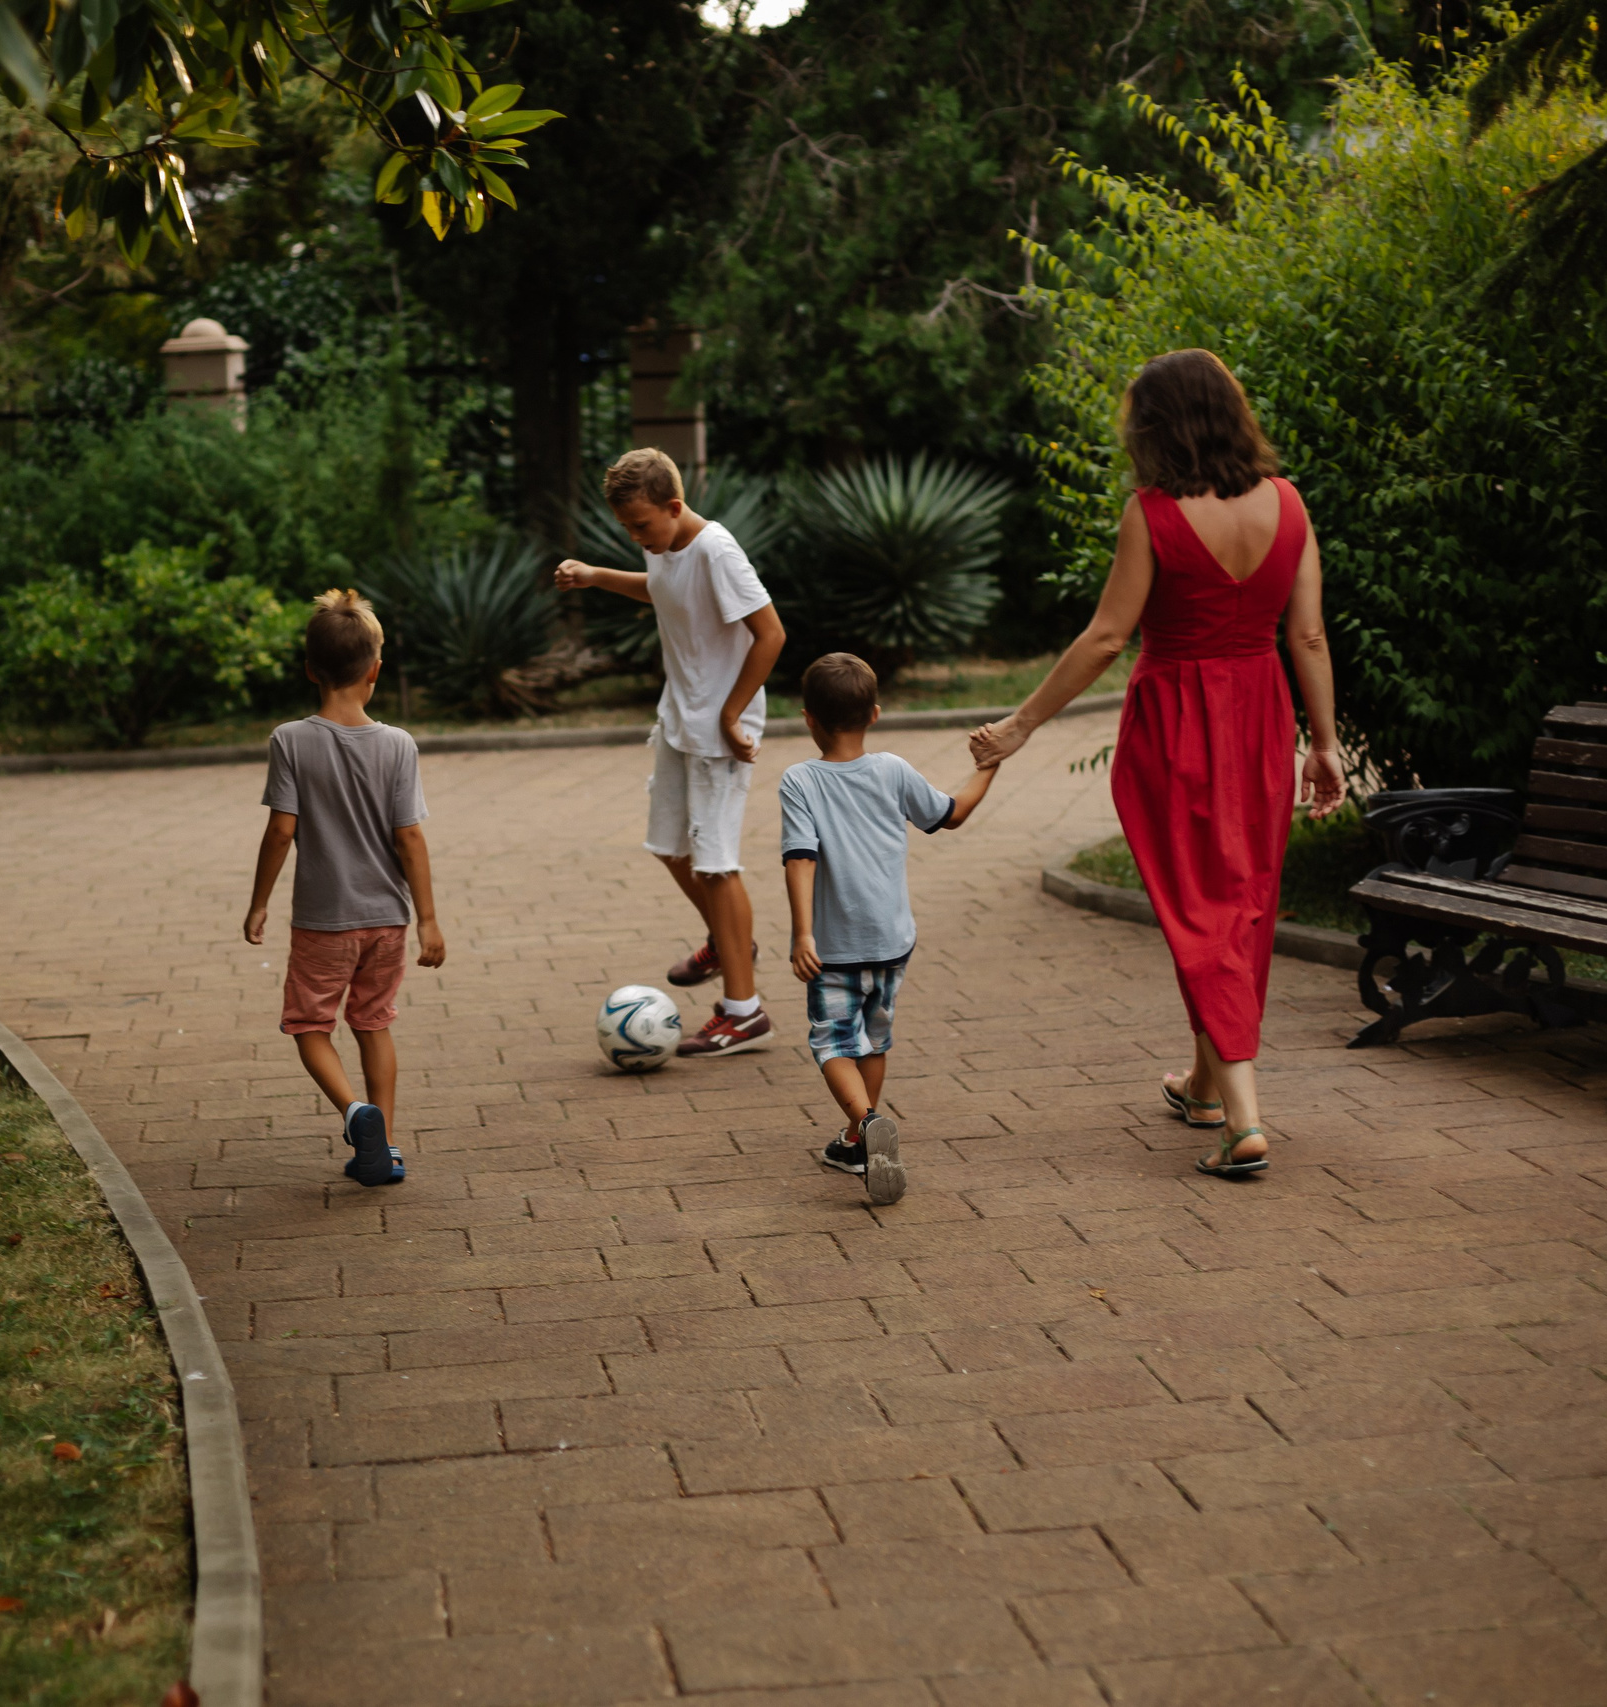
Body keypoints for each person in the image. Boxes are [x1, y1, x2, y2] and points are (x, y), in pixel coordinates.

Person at [969, 349, 1342, 1178]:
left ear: (1158, 426)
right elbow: (1307, 634)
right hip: (1259, 716)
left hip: (1176, 721)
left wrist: (1023, 725)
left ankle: (1243, 1117)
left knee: (1199, 905)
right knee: (1239, 899)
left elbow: (1108, 635)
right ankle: (1205, 1085)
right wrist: (1323, 741)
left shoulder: (1154, 512)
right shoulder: (1288, 503)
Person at [556, 448, 787, 1058]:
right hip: (678, 716)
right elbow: (662, 591)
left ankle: (745, 1011)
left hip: (720, 728)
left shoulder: (716, 550)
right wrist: (597, 575)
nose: (636, 538)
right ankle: (728, 938)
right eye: (627, 529)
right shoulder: (663, 545)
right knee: (670, 847)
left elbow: (771, 634)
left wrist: (733, 713)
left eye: (641, 527)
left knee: (715, 862)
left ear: (675, 507)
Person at [242, 590, 447, 1188]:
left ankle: (356, 1115)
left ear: (309, 670)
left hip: (322, 923)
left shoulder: (290, 740)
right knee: (374, 1022)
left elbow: (282, 830)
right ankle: (384, 1146)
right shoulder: (399, 744)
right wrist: (428, 920)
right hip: (388, 919)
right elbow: (409, 838)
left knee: (310, 1026)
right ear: (375, 670)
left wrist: (259, 903)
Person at [784, 653, 999, 1203]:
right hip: (892, 940)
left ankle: (867, 1121)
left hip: (834, 945)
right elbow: (950, 814)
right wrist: (988, 766)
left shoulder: (800, 781)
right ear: (874, 714)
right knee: (874, 1037)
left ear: (808, 717)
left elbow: (800, 858)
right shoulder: (893, 769)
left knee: (832, 1042)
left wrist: (803, 933)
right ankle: (859, 1140)